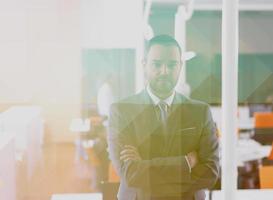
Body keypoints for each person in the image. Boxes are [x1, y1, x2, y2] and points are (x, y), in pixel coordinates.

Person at [107, 35, 219, 200]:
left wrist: (144, 168)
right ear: (144, 64)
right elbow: (130, 173)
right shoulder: (121, 111)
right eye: (157, 64)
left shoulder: (200, 111)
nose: (164, 71)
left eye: (172, 64)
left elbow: (210, 174)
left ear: (180, 66)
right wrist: (186, 163)